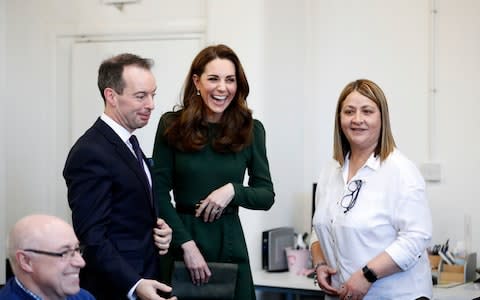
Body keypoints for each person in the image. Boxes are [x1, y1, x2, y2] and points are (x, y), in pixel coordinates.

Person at [152, 44, 275, 300]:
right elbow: (159, 193)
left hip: (229, 242)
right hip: (182, 241)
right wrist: (186, 246)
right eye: (213, 79)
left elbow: (266, 196)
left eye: (230, 80)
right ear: (197, 81)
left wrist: (232, 191)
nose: (222, 88)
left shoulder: (252, 129)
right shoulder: (170, 125)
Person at [63, 53, 176, 300]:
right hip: (115, 289)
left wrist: (159, 229)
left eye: (152, 94)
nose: (151, 104)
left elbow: (129, 214)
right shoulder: (90, 151)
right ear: (111, 96)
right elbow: (92, 239)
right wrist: (135, 284)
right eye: (140, 96)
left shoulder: (129, 143)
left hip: (148, 278)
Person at [310, 79, 432, 300]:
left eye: (367, 111)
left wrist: (367, 276)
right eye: (349, 112)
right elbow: (320, 228)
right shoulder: (331, 170)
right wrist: (319, 263)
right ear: (339, 119)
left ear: (382, 118)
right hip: (341, 295)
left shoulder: (401, 171)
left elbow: (416, 238)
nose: (357, 120)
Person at [0, 214, 95, 300]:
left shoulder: (83, 297)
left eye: (77, 249)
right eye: (64, 252)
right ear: (26, 261)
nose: (81, 262)